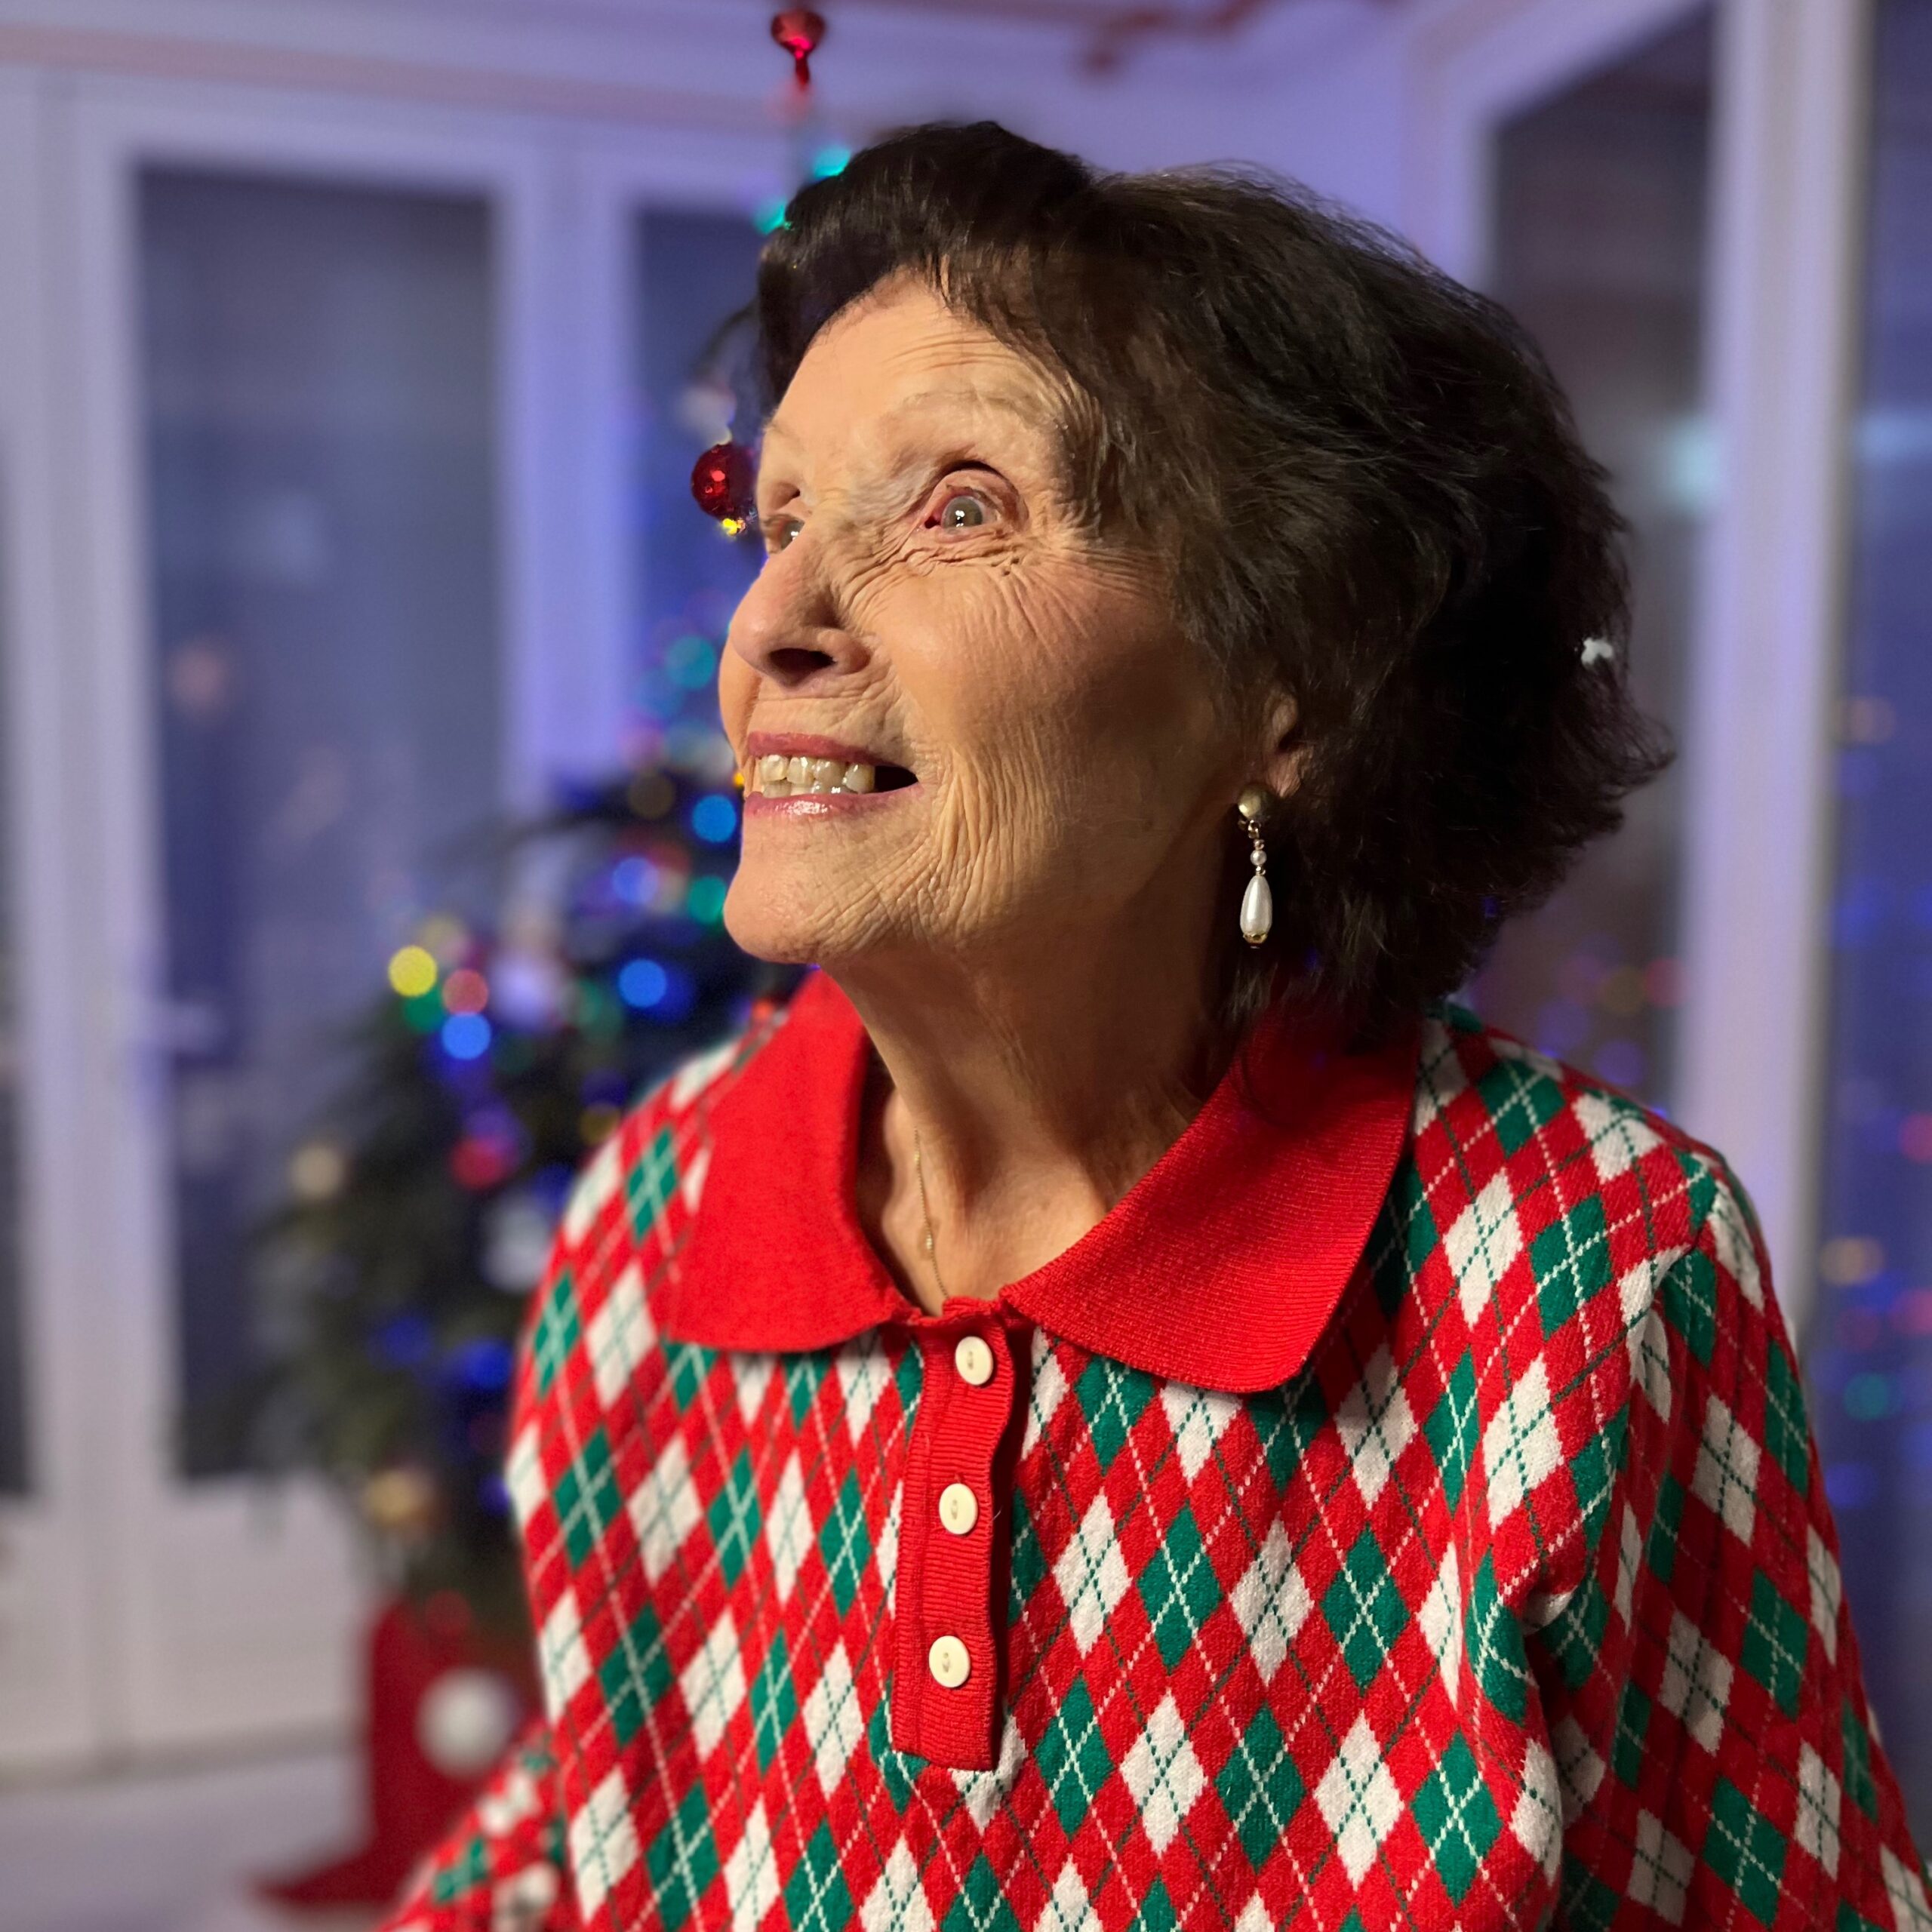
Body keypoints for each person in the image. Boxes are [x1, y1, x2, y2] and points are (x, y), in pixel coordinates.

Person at [382, 122, 1926, 1931]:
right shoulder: (654, 1217)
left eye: (958, 504)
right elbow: (596, 1818)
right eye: (781, 516)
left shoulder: (1585, 1274)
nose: (772, 621)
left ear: (1292, 687)